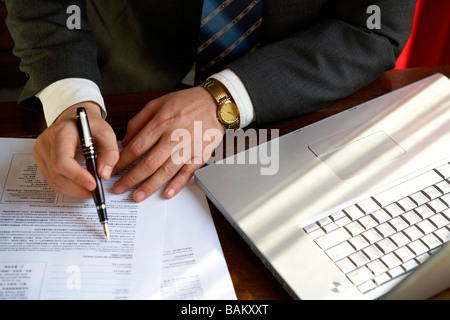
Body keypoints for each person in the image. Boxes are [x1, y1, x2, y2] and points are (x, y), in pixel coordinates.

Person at [3, 0, 417, 203]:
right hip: (117, 79)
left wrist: (225, 98)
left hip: (295, 96)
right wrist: (71, 98)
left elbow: (372, 27)